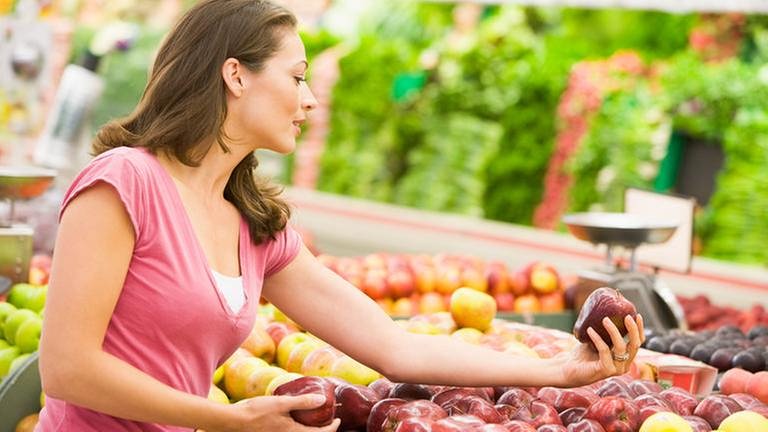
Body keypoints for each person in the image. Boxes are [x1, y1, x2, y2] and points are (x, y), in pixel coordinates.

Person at [37, 1, 645, 431]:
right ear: (235, 76)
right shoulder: (126, 180)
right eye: (297, 77)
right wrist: (224, 420)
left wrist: (562, 371)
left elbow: (396, 349)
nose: (309, 98)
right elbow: (67, 368)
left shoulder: (255, 229)